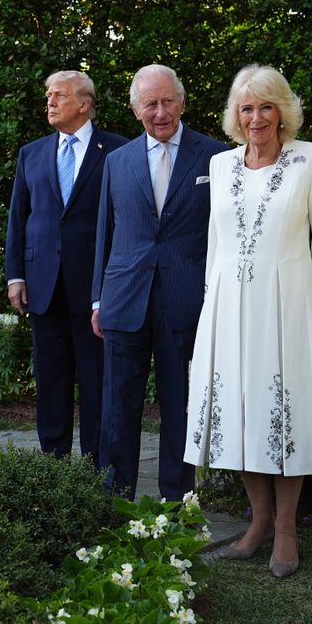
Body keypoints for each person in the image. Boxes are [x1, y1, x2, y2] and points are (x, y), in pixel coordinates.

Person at [184, 65, 312, 578]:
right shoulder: (220, 164)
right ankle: (259, 523)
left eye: (266, 106)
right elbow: (216, 244)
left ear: (283, 112)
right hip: (230, 304)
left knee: (284, 406)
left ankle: (288, 529)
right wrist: (211, 301)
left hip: (289, 302)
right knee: (244, 409)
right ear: (236, 115)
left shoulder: (311, 159)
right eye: (247, 108)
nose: (256, 118)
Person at [92, 64, 228, 501]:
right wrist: (98, 299)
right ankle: (115, 503)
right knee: (117, 410)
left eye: (168, 100)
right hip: (124, 301)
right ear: (135, 110)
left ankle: (178, 503)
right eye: (150, 103)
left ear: (183, 102)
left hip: (186, 301)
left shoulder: (217, 157)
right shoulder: (117, 161)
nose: (160, 111)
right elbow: (105, 235)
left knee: (181, 409)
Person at [5, 71, 128, 461]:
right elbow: (19, 218)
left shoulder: (118, 151)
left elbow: (124, 221)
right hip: (43, 285)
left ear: (85, 103)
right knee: (51, 379)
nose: (50, 102)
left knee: (95, 381)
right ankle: (53, 465)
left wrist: (113, 284)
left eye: (58, 95)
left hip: (95, 289)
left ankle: (95, 464)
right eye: (48, 96)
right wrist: (16, 275)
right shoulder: (33, 153)